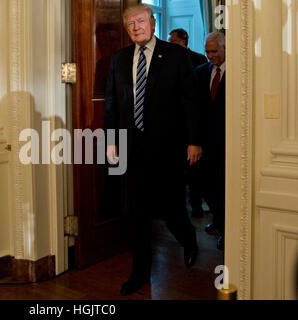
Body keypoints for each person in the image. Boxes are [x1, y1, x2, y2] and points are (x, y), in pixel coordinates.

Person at [104, 4, 202, 296]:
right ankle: (140, 273)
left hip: (168, 149)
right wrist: (111, 141)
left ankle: (189, 240)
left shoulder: (176, 56)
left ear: (152, 23)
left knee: (172, 210)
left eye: (141, 21)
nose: (136, 27)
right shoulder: (119, 60)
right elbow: (112, 103)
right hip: (132, 150)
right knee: (137, 213)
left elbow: (190, 101)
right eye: (130, 23)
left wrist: (194, 140)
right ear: (126, 28)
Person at [168, 28, 208, 218]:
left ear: (184, 40)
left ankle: (196, 206)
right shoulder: (166, 59)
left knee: (194, 171)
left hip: (192, 121)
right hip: (174, 124)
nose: (170, 42)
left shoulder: (199, 59)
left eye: (173, 40)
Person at [194, 32, 226, 251]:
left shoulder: (240, 74)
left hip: (229, 144)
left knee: (225, 188)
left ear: (226, 48)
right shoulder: (200, 73)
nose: (209, 56)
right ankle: (218, 219)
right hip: (205, 144)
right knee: (207, 187)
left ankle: (227, 230)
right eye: (207, 51)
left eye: (214, 51)